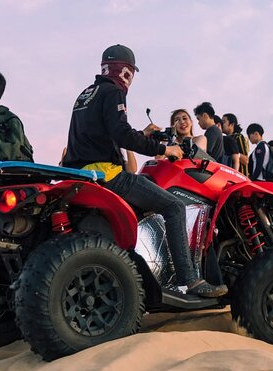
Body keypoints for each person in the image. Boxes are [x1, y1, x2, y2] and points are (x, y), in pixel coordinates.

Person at [62, 44, 226, 298]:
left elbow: (101, 135)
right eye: (131, 73)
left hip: (80, 174)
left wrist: (142, 135)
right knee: (174, 207)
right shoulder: (114, 91)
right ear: (124, 70)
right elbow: (120, 134)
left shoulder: (86, 94)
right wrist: (163, 149)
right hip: (107, 175)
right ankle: (189, 280)